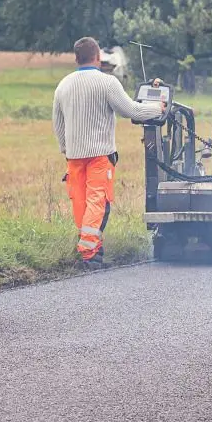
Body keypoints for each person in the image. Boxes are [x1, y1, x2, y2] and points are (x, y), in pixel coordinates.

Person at [52, 37, 165, 266]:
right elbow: (130, 110)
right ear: (98, 57)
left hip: (74, 155)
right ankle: (89, 253)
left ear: (76, 58)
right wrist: (157, 108)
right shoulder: (107, 83)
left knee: (81, 202)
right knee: (97, 201)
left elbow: (58, 123)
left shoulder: (63, 85)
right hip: (99, 154)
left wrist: (66, 148)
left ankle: (89, 245)